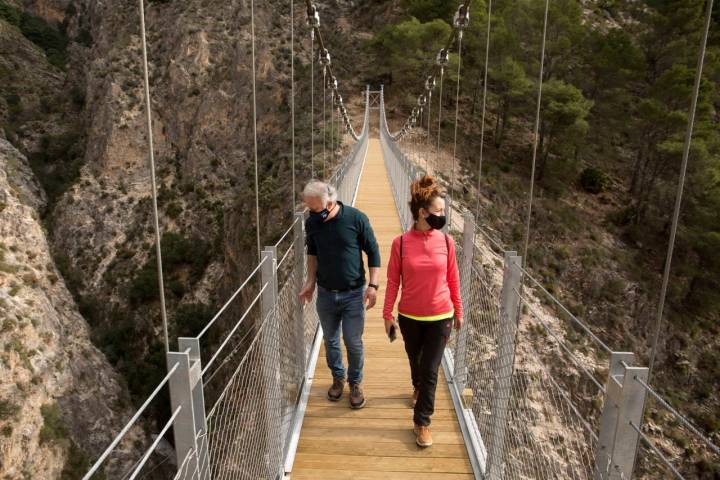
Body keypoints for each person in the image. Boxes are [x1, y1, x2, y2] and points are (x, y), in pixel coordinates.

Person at [382, 175, 463, 447]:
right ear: (422, 213)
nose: (442, 216)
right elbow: (393, 280)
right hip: (410, 318)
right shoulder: (401, 243)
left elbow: (453, 278)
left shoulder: (447, 242)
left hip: (441, 316)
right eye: (438, 211)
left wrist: (459, 311)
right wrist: (387, 314)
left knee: (430, 370)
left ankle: (422, 422)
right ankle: (415, 386)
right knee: (416, 362)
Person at [299, 180, 381, 409]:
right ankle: (338, 378)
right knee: (331, 341)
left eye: (314, 209)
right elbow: (312, 253)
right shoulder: (313, 223)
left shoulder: (356, 218)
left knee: (353, 342)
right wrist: (310, 281)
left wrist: (373, 286)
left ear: (330, 202)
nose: (311, 214)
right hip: (325, 294)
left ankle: (355, 383)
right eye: (308, 209)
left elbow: (373, 251)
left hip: (354, 293)